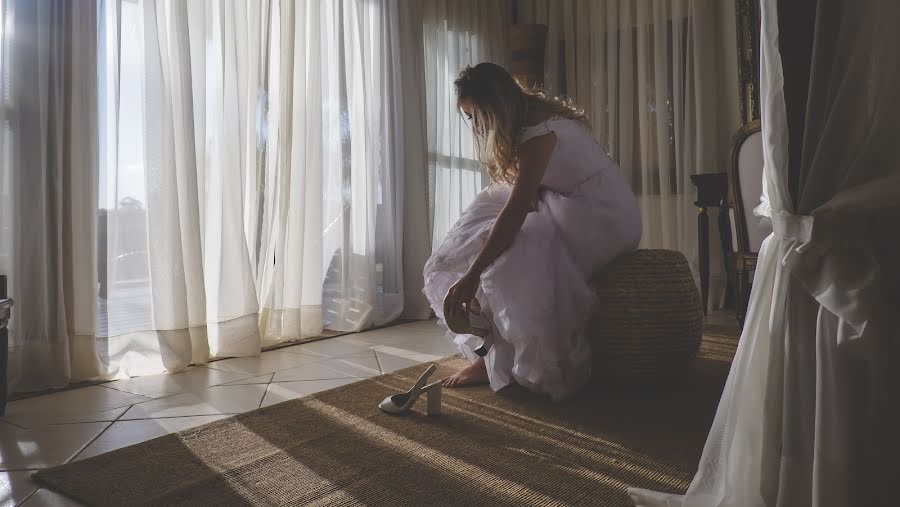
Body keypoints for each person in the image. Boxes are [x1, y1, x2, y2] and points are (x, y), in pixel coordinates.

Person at [422, 62, 642, 401]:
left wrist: (472, 274)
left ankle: (494, 358)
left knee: (516, 249)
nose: (475, 126)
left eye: (477, 115)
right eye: (469, 117)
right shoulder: (526, 119)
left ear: (495, 108)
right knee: (483, 212)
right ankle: (487, 346)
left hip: (600, 214)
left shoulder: (537, 135)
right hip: (560, 198)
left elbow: (515, 211)